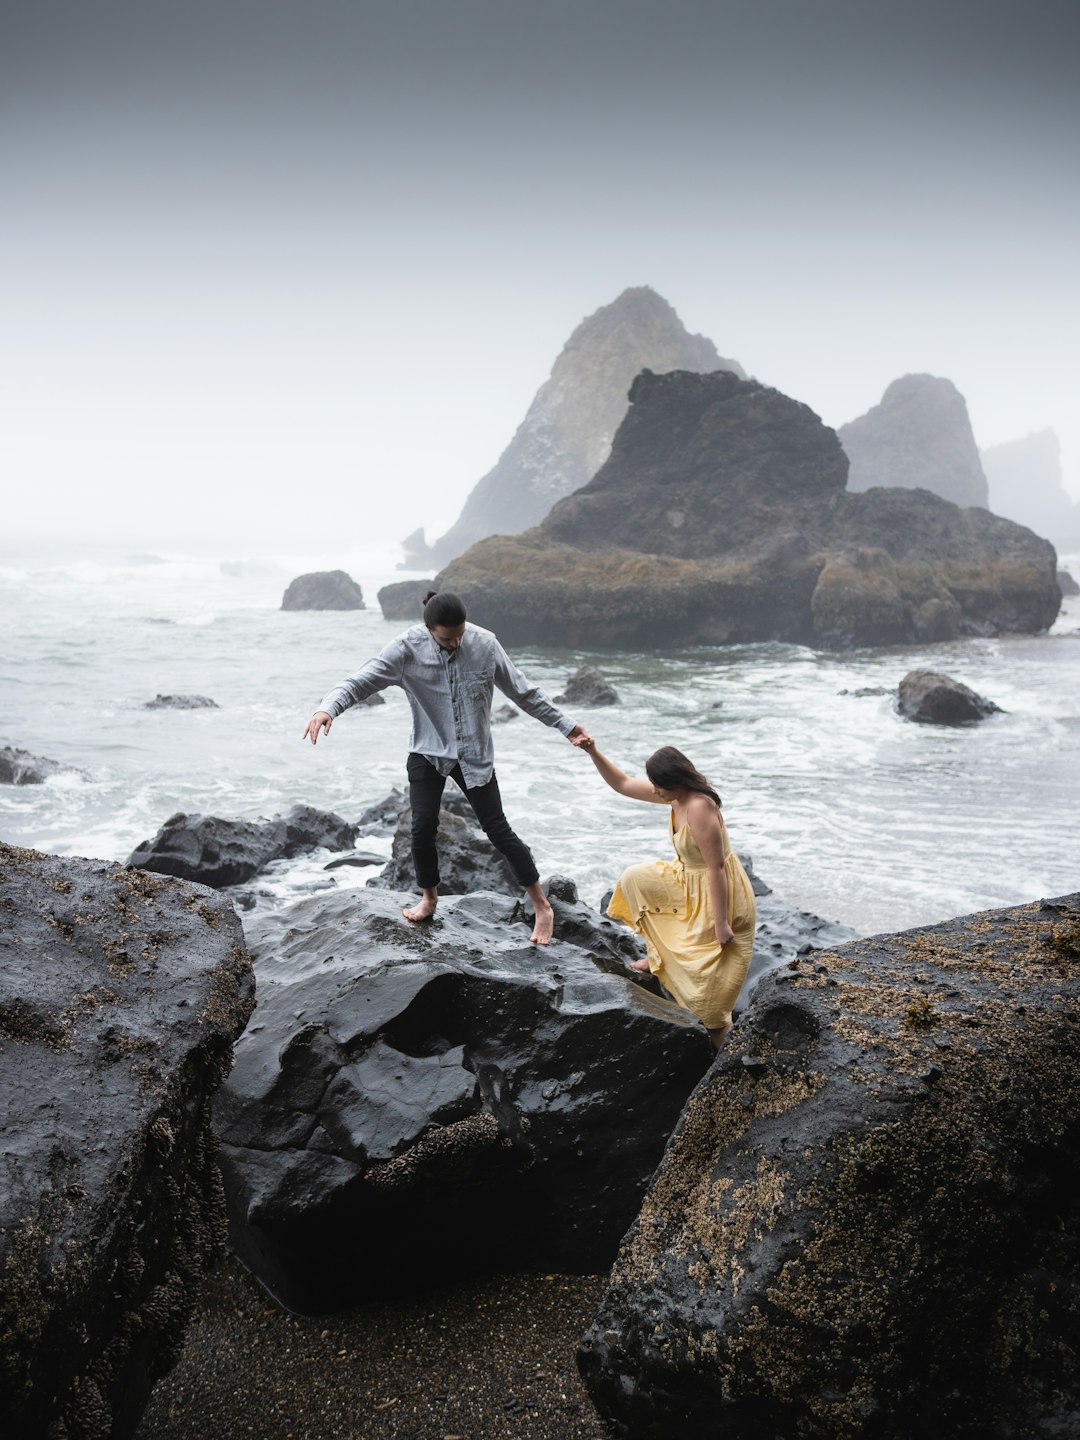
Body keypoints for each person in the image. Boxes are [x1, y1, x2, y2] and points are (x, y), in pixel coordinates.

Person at [303, 590, 592, 944]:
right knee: (422, 825)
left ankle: (542, 906)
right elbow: (359, 681)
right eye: (446, 638)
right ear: (428, 629)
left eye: (460, 634)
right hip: (428, 750)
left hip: (474, 754)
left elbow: (524, 693)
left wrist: (566, 725)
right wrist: (326, 709)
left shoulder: (484, 644)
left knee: (497, 829)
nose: (455, 642)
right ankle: (429, 898)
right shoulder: (406, 649)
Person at [581, 740, 756, 1049]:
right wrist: (593, 751)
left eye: (659, 785)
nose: (655, 791)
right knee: (635, 879)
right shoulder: (674, 796)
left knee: (712, 994)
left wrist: (721, 924)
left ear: (676, 781)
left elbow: (716, 869)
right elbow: (621, 783)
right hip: (686, 878)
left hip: (718, 892)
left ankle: (723, 1049)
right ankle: (657, 956)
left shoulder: (700, 806)